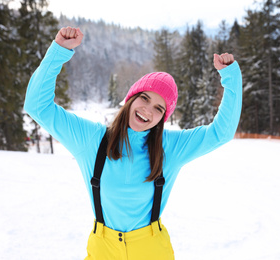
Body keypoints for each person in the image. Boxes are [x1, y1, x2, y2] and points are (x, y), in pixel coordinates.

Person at [24, 26, 242, 260]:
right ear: (131, 98)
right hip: (103, 251)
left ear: (162, 118)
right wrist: (59, 51)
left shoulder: (171, 148)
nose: (148, 111)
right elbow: (38, 107)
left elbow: (222, 132)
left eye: (159, 108)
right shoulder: (92, 140)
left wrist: (231, 78)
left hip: (151, 250)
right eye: (144, 98)